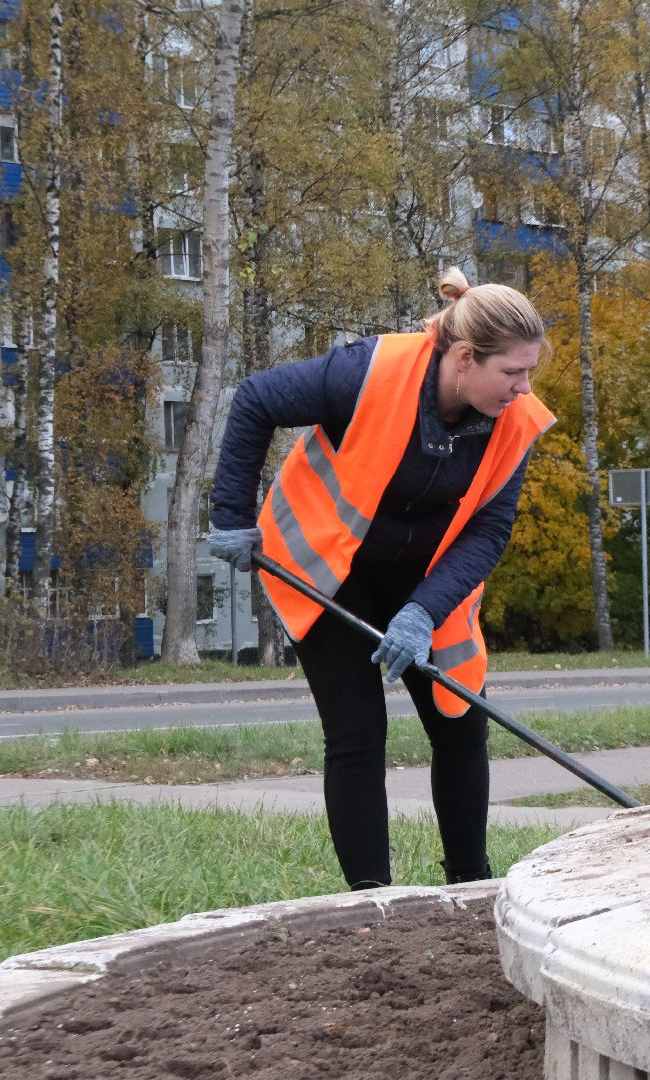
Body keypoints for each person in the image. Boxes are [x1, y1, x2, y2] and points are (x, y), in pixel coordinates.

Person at [204, 268, 554, 890]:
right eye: (512, 373)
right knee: (358, 735)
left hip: (430, 579)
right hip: (331, 567)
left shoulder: (513, 422)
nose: (524, 389)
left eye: (530, 373)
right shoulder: (367, 371)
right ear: (466, 359)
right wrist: (231, 517)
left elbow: (489, 532)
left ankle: (471, 887)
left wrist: (423, 612)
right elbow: (256, 398)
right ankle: (373, 905)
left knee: (459, 722)